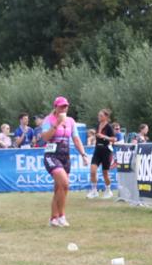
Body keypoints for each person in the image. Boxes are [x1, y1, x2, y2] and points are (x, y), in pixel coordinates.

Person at [42, 96, 90, 227]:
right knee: (65, 183)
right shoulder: (48, 120)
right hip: (52, 155)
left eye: (66, 106)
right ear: (56, 107)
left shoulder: (71, 121)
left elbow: (76, 139)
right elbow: (45, 138)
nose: (64, 108)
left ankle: (53, 218)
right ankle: (62, 216)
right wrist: (56, 123)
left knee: (59, 188)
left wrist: (83, 154)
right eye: (62, 106)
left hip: (65, 155)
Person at [87, 108, 116, 199]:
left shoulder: (109, 127)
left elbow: (114, 139)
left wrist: (104, 136)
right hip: (97, 150)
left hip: (106, 151)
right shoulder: (98, 125)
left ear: (106, 117)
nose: (99, 117)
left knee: (105, 173)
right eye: (98, 115)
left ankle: (108, 190)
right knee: (92, 170)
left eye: (101, 115)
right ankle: (94, 191)